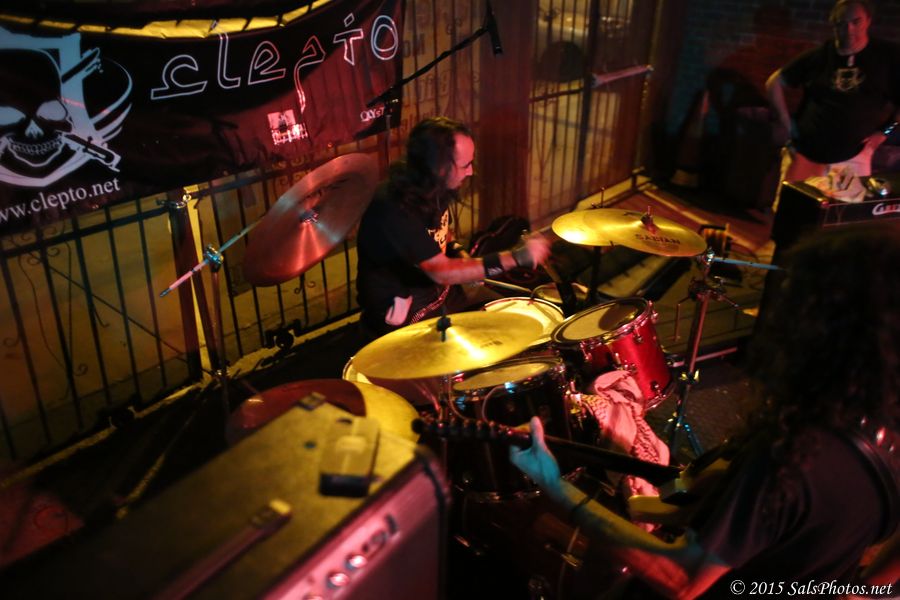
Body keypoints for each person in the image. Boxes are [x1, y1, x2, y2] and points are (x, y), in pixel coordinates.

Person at [510, 221, 900, 598]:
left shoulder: (794, 459)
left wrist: (557, 488)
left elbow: (682, 581)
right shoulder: (887, 425)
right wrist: (866, 591)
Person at [356, 116, 550, 338]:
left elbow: (440, 230)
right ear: (439, 167)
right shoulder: (393, 208)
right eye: (465, 165)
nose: (471, 171)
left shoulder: (432, 185)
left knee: (514, 323)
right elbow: (441, 271)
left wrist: (457, 250)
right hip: (403, 309)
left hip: (440, 292)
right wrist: (518, 257)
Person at [765, 0, 899, 199]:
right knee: (793, 210)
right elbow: (774, 83)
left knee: (845, 215)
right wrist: (787, 124)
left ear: (868, 21)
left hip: (854, 156)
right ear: (833, 25)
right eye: (841, 23)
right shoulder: (820, 56)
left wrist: (884, 133)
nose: (849, 29)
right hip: (806, 152)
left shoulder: (887, 57)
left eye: (856, 22)